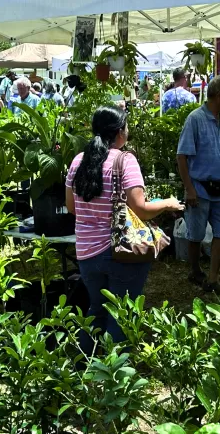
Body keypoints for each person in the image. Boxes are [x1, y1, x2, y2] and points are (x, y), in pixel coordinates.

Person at [66, 106, 183, 352]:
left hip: (86, 253)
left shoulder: (78, 161)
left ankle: (80, 372)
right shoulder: (124, 160)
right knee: (122, 315)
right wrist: (168, 203)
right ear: (120, 132)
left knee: (96, 311)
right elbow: (140, 208)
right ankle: (115, 379)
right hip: (120, 251)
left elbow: (72, 206)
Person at [177, 76, 220, 293]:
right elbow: (181, 157)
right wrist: (189, 189)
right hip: (200, 188)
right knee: (196, 233)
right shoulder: (195, 119)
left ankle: (213, 277)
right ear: (219, 95)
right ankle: (195, 270)